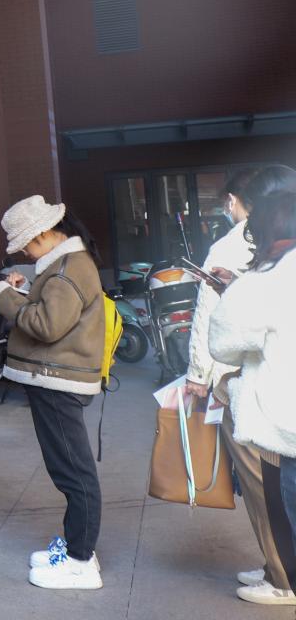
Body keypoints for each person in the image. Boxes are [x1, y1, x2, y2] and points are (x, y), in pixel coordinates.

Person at [187, 165, 296, 606]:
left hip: (273, 406)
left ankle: (283, 576)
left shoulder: (264, 263)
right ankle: (278, 567)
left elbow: (222, 338)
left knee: (269, 491)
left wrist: (199, 375)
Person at [0, 196, 105, 591]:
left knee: (73, 472)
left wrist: (4, 298)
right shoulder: (67, 263)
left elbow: (47, 325)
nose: (24, 252)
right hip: (57, 377)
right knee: (70, 469)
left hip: (57, 380)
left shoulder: (67, 267)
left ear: (43, 234)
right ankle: (77, 548)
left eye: (26, 244)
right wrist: (22, 291)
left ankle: (80, 561)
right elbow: (54, 312)